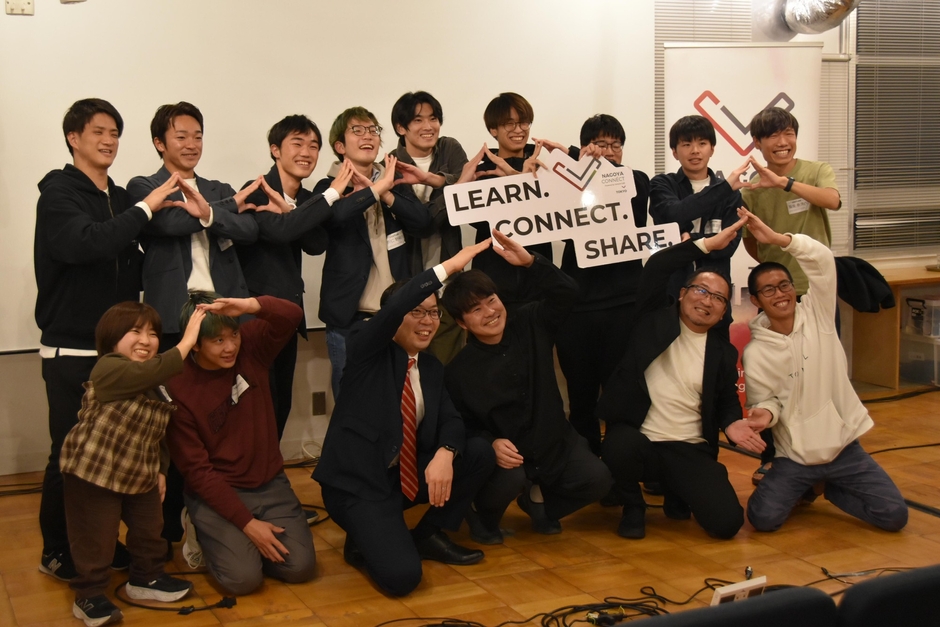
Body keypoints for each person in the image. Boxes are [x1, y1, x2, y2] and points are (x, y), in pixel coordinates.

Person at [34, 98, 184, 582]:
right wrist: (145, 208)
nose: (108, 140)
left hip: (118, 351)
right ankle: (58, 549)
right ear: (73, 138)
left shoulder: (118, 197)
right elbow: (84, 244)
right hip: (72, 349)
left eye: (115, 133)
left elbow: (130, 258)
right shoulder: (58, 193)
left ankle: (101, 545)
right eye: (98, 131)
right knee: (71, 455)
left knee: (119, 451)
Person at [314, 239, 496, 597]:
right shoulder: (366, 349)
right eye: (417, 312)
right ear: (393, 319)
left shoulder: (431, 366)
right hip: (360, 486)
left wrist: (445, 453)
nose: (428, 322)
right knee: (402, 579)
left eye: (434, 313)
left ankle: (428, 534)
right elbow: (397, 304)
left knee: (477, 452)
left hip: (402, 477)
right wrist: (449, 267)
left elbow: (451, 420)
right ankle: (366, 536)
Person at [127, 101, 261, 547]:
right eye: (181, 136)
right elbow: (165, 222)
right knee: (171, 424)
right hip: (174, 317)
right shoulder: (145, 185)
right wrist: (222, 210)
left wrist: (213, 209)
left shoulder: (218, 187)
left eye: (197, 135)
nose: (191, 144)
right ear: (159, 142)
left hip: (222, 314)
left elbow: (248, 231)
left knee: (221, 419)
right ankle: (167, 526)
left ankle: (216, 514)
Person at [740, 208, 908, 533]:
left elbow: (822, 261)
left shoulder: (818, 316)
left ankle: (829, 488)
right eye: (769, 290)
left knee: (893, 515)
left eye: (784, 285)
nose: (780, 294)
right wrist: (764, 414)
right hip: (795, 457)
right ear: (757, 301)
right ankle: (808, 483)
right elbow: (767, 400)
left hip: (844, 450)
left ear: (794, 288)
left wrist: (780, 240)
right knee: (763, 519)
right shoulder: (756, 351)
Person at [596, 216, 762, 540]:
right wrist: (706, 245)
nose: (708, 300)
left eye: (718, 298)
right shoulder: (652, 320)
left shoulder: (722, 351)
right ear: (683, 293)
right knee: (617, 446)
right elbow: (658, 267)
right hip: (641, 440)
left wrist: (731, 424)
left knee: (727, 524)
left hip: (690, 447)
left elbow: (727, 400)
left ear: (723, 311)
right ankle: (633, 505)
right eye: (701, 290)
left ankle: (678, 491)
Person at [443, 231, 613, 543]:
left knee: (598, 479)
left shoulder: (530, 321)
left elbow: (568, 292)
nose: (490, 312)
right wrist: (491, 443)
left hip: (553, 443)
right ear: (462, 323)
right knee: (511, 476)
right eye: (476, 310)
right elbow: (460, 425)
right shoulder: (458, 371)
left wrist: (531, 263)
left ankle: (538, 502)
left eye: (491, 301)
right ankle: (483, 516)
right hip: (510, 457)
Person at [61, 303, 204, 626]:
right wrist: (187, 340)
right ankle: (89, 594)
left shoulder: (157, 380)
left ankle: (146, 577)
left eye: (153, 333)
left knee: (149, 529)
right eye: (135, 331)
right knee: (96, 537)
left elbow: (159, 432)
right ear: (112, 339)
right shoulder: (109, 367)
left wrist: (161, 470)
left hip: (139, 470)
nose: (146, 340)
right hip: (94, 470)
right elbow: (150, 371)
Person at [165, 293, 316, 595]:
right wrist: (248, 524)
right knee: (243, 580)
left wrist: (249, 306)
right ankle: (202, 530)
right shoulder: (178, 385)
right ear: (195, 344)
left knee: (300, 567)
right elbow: (197, 471)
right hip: (217, 491)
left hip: (269, 483)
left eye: (232, 335)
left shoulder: (251, 346)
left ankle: (240, 545)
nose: (230, 347)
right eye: (218, 341)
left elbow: (292, 315)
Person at [739, 106, 842, 482]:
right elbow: (751, 241)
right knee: (774, 381)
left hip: (816, 293)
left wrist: (784, 183)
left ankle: (829, 455)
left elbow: (832, 200)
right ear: (758, 143)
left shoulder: (815, 171)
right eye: (772, 136)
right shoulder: (752, 187)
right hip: (775, 297)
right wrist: (773, 271)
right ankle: (776, 457)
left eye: (788, 134)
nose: (782, 142)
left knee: (822, 376)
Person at [236, 114, 352, 440]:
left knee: (280, 406)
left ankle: (271, 468)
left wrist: (293, 211)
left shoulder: (304, 199)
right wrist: (331, 195)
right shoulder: (256, 190)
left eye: (313, 146)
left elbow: (316, 244)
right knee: (256, 408)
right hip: (255, 318)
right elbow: (280, 232)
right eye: (297, 143)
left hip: (287, 318)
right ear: (275, 150)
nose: (307, 152)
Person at [313, 106, 430, 399]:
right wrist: (374, 191)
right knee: (351, 397)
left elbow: (423, 223)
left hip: (396, 313)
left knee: (397, 395)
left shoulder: (394, 182)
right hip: (349, 318)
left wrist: (386, 192)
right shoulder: (328, 187)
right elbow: (334, 217)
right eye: (357, 130)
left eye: (373, 130)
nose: (368, 136)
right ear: (340, 146)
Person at [553, 113, 651, 456]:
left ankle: (621, 465)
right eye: (600, 144)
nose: (609, 151)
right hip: (577, 308)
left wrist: (590, 165)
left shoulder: (636, 180)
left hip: (623, 306)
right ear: (585, 148)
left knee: (620, 392)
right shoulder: (564, 184)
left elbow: (632, 213)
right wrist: (577, 168)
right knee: (580, 395)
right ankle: (587, 465)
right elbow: (556, 223)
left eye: (615, 145)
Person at [389, 91, 470, 364]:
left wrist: (433, 180)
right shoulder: (391, 165)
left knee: (449, 367)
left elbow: (468, 196)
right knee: (409, 369)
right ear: (401, 128)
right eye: (418, 120)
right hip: (409, 284)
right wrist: (454, 187)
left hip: (449, 284)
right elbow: (422, 225)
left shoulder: (449, 148)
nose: (429, 126)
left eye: (433, 118)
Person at [650, 115, 748, 323]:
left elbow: (728, 244)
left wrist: (691, 239)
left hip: (715, 299)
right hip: (670, 294)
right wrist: (709, 240)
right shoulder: (662, 184)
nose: (695, 150)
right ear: (674, 151)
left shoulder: (731, 194)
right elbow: (674, 215)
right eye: (686, 144)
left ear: (712, 149)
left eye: (702, 143)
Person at [469, 92, 553, 312]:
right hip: (493, 286)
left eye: (524, 122)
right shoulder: (481, 172)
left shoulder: (543, 169)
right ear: (493, 130)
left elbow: (556, 216)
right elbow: (477, 221)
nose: (519, 129)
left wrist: (523, 179)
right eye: (509, 123)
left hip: (537, 285)